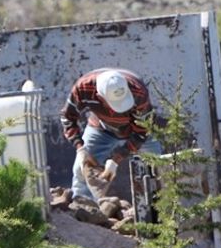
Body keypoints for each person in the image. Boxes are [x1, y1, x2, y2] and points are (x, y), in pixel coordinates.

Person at [60, 68, 157, 203]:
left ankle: (162, 211)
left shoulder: (138, 91)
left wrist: (116, 159)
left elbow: (142, 132)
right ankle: (83, 209)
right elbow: (67, 118)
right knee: (81, 169)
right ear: (100, 96)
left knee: (157, 167)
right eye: (116, 104)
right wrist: (80, 149)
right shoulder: (83, 88)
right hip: (102, 129)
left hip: (137, 129)